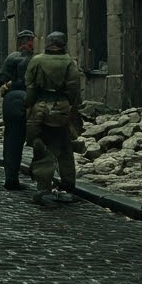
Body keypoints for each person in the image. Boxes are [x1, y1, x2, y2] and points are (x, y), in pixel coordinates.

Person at [24, 31, 83, 207]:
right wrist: (71, 107)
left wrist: (28, 106)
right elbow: (74, 89)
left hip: (40, 109)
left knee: (42, 148)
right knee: (65, 148)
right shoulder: (69, 62)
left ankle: (43, 188)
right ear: (64, 44)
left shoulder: (36, 61)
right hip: (62, 109)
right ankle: (68, 186)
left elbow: (30, 88)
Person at [0, 30, 35, 191]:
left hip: (12, 99)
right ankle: (43, 181)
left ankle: (11, 178)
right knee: (41, 141)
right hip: (32, 100)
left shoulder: (12, 58)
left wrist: (7, 85)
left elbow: (0, 80)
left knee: (12, 140)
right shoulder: (38, 59)